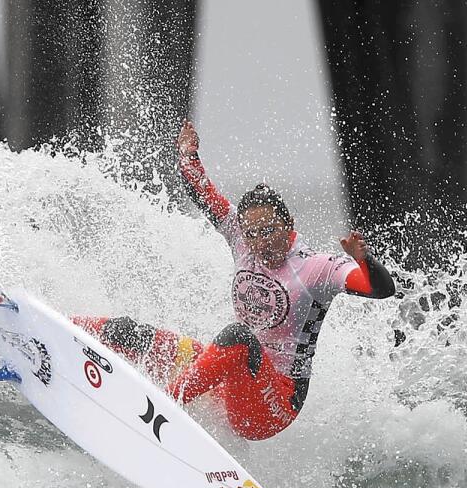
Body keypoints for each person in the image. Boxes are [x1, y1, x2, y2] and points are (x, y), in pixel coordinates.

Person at [78, 120, 397, 441]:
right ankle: (55, 327)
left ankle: (157, 408)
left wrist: (364, 259)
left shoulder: (317, 268)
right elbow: (203, 193)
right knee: (127, 332)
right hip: (229, 383)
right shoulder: (239, 237)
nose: (261, 242)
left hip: (274, 405)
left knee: (238, 337)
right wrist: (188, 155)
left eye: (270, 230)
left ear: (290, 225)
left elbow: (380, 289)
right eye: (253, 234)